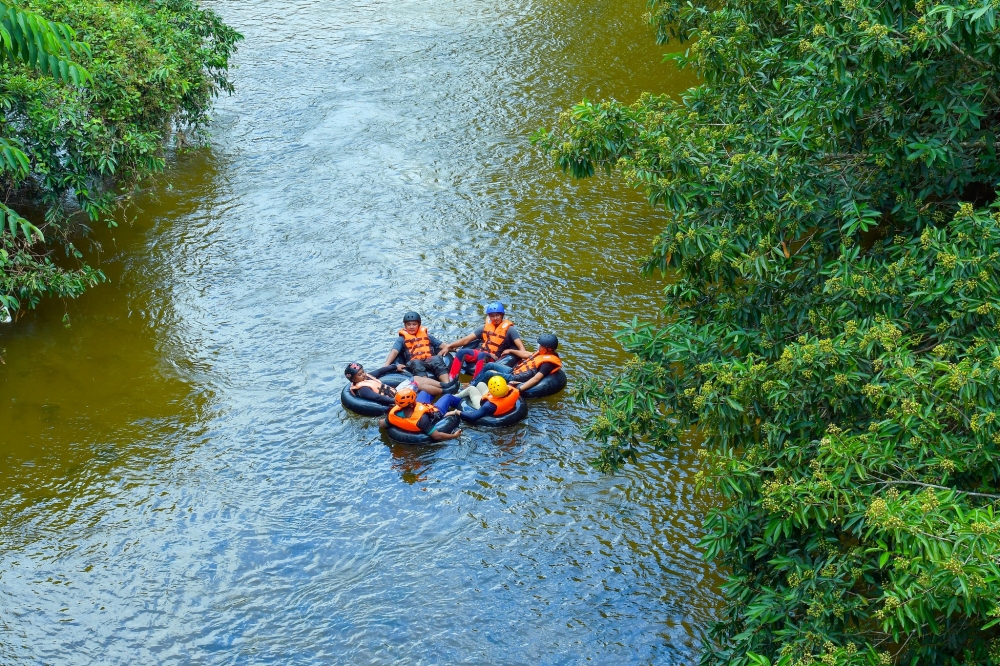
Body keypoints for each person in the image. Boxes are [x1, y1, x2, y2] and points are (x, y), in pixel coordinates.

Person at [439, 302, 526, 380]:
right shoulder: (484, 327)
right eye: (492, 316)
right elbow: (466, 340)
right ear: (489, 316)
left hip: (494, 358)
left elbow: (522, 348)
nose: (495, 318)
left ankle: (474, 382)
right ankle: (451, 380)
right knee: (461, 352)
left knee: (482, 355)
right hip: (481, 353)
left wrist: (515, 355)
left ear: (502, 315)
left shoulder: (510, 330)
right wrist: (449, 346)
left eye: (497, 315)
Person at [384, 311, 458, 392]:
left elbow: (441, 345)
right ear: (405, 326)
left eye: (414, 324)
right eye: (409, 325)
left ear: (419, 325)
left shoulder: (427, 336)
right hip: (413, 362)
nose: (411, 327)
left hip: (429, 359)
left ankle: (447, 384)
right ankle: (428, 388)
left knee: (436, 359)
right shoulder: (401, 339)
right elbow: (394, 352)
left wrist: (456, 349)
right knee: (417, 363)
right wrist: (386, 366)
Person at [470, 333, 562, 393]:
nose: (539, 347)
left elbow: (536, 379)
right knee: (490, 365)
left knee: (489, 373)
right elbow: (528, 355)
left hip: (516, 378)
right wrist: (511, 351)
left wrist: (519, 389)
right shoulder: (543, 353)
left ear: (548, 349)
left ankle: (471, 388)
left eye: (541, 346)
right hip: (514, 370)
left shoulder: (547, 364)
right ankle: (473, 383)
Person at [379, 388, 463, 441]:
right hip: (436, 412)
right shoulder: (422, 419)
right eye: (414, 399)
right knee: (448, 397)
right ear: (412, 404)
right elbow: (437, 436)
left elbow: (381, 423)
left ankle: (437, 394)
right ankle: (462, 401)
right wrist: (454, 436)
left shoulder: (392, 415)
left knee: (424, 392)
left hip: (419, 408)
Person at [345, 363, 447, 405]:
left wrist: (395, 366)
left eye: (363, 372)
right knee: (417, 384)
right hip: (396, 398)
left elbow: (379, 371)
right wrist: (394, 401)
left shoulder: (365, 378)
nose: (363, 374)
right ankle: (445, 391)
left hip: (396, 391)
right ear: (353, 378)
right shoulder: (363, 389)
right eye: (360, 374)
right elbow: (377, 398)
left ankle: (444, 385)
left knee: (415, 378)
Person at [435, 375, 521, 423]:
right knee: (481, 384)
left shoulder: (488, 405)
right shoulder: (513, 390)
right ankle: (462, 392)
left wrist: (456, 412)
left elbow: (473, 417)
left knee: (471, 389)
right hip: (501, 400)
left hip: (485, 406)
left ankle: (455, 396)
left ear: (492, 392)